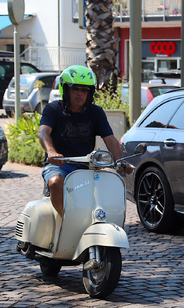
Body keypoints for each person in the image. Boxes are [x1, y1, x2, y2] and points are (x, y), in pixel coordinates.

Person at [38, 65, 132, 217]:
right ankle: (66, 221)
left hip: (87, 166)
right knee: (55, 182)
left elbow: (110, 140)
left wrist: (120, 162)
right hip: (59, 165)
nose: (80, 94)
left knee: (106, 190)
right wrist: (51, 152)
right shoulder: (53, 109)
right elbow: (43, 132)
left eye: (85, 90)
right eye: (75, 89)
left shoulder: (95, 112)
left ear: (90, 93)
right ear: (66, 90)